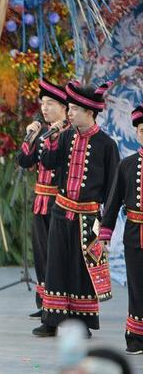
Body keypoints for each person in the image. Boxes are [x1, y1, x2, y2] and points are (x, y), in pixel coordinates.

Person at [32, 80, 119, 338]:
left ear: (89, 112)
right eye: (68, 108)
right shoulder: (66, 136)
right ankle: (52, 320)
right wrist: (51, 140)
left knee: (82, 270)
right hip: (61, 211)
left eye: (73, 109)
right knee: (55, 265)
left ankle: (81, 323)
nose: (68, 113)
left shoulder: (106, 144)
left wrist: (105, 227)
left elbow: (112, 190)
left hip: (88, 216)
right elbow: (48, 163)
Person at [16, 79, 69, 319]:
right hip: (41, 200)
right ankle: (46, 303)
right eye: (43, 103)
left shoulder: (69, 134)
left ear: (64, 108)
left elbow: (52, 162)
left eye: (50, 103)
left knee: (59, 254)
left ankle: (63, 303)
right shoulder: (42, 132)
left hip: (61, 202)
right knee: (42, 253)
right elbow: (24, 161)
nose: (44, 108)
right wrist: (30, 136)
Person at [99, 104, 143, 354]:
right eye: (142, 130)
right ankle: (136, 337)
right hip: (134, 234)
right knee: (136, 285)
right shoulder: (126, 165)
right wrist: (105, 233)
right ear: (136, 133)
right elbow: (114, 201)